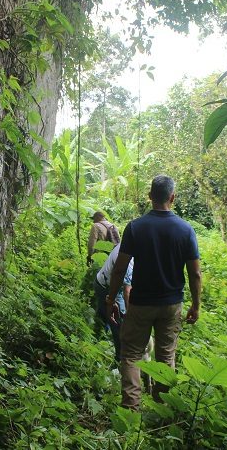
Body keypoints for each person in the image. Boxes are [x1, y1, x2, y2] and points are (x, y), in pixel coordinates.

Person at [105, 175, 202, 409]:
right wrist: (196, 304)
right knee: (166, 356)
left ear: (150, 196)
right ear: (173, 197)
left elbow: (119, 269)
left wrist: (111, 298)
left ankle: (131, 408)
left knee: (130, 354)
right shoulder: (185, 230)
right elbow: (195, 274)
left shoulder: (136, 227)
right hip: (171, 304)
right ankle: (161, 408)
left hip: (140, 303)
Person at [94, 243, 133, 362]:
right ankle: (120, 359)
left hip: (107, 282)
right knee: (118, 323)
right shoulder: (129, 261)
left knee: (106, 315)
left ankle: (98, 336)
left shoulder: (129, 243)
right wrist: (130, 316)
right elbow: (127, 291)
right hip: (106, 286)